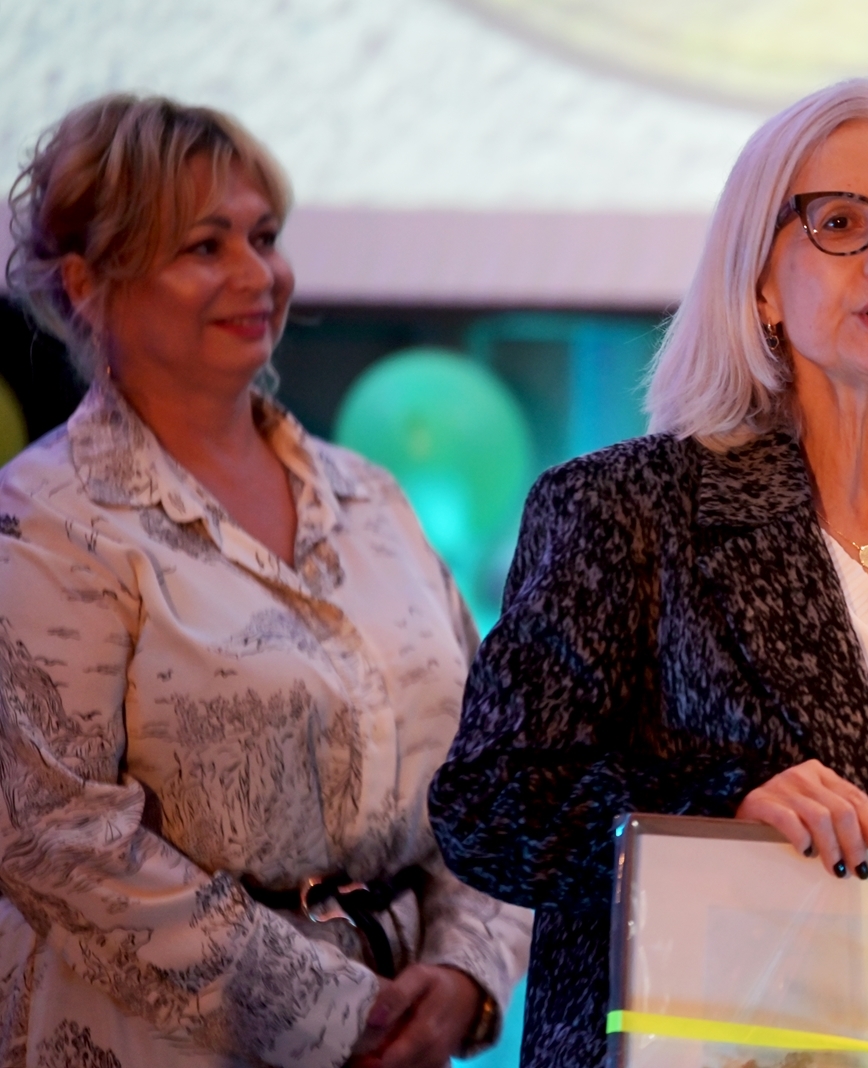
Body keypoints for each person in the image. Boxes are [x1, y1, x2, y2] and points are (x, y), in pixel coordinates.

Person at [428, 78, 868, 1068]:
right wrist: (718, 807)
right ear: (760, 284)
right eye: (839, 222)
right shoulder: (624, 508)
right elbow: (490, 807)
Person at [0, 95, 531, 1068]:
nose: (259, 276)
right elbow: (57, 840)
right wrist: (343, 1018)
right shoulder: (45, 521)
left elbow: (495, 765)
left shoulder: (370, 497)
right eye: (205, 246)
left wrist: (465, 972)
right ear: (87, 284)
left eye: (265, 236)